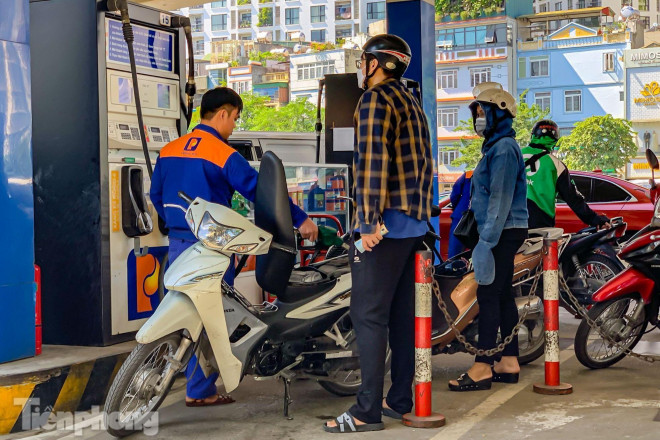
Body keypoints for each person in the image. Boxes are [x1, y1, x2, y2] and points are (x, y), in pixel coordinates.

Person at [150, 87, 318, 407]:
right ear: (224, 113)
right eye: (235, 119)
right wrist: (300, 219)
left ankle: (189, 381)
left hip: (177, 245)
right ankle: (200, 390)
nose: (233, 126)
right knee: (216, 318)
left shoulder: (168, 150)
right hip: (212, 247)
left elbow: (156, 196)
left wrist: (175, 224)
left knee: (186, 313)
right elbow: (260, 192)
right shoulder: (223, 153)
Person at [324, 34, 434, 433]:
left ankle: (366, 411)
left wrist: (368, 222)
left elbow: (372, 162)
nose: (361, 67)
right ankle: (398, 399)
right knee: (401, 317)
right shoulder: (410, 100)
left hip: (383, 226)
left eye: (364, 60)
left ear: (377, 64)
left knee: (368, 316)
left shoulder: (374, 99)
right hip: (413, 225)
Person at [448, 82, 528, 392]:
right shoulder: (496, 147)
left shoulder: (504, 148)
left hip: (501, 231)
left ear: (499, 113)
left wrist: (487, 241)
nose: (478, 117)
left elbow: (500, 198)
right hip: (501, 231)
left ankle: (482, 366)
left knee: (488, 295)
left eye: (483, 111)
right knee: (502, 294)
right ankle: (508, 361)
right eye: (477, 112)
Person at [523, 119, 610, 230]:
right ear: (555, 141)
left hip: (510, 221)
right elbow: (573, 198)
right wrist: (596, 220)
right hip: (540, 224)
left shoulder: (515, 154)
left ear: (533, 135)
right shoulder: (556, 165)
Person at [448, 170, 473, 258]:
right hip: (482, 218)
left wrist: (458, 207)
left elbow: (454, 195)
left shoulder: (468, 175)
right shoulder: (493, 176)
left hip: (461, 216)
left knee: (454, 254)